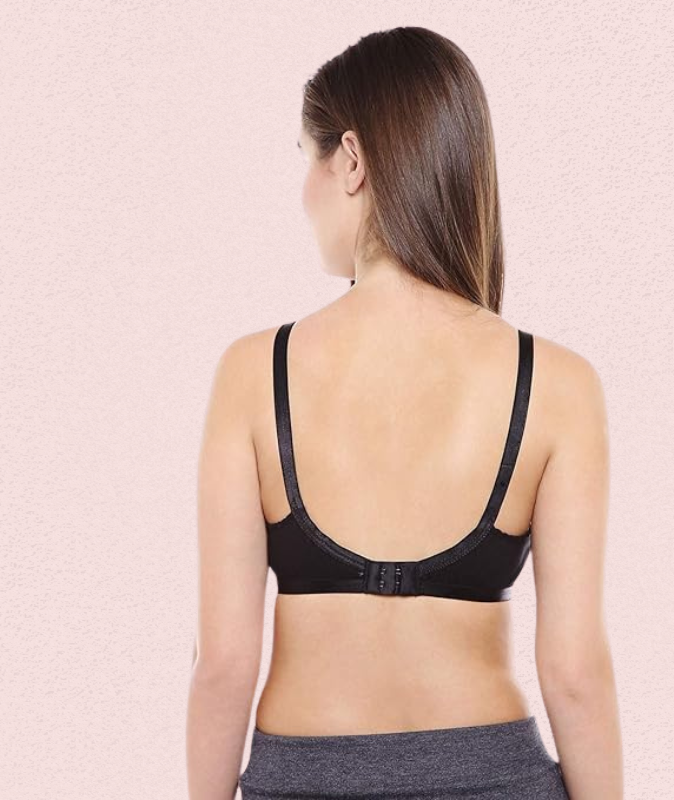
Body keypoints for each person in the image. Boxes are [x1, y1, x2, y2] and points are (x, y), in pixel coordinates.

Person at [186, 25, 622, 800]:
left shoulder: (255, 373)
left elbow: (223, 665)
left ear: (350, 160)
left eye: (307, 156)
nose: (304, 191)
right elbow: (575, 672)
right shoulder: (557, 384)